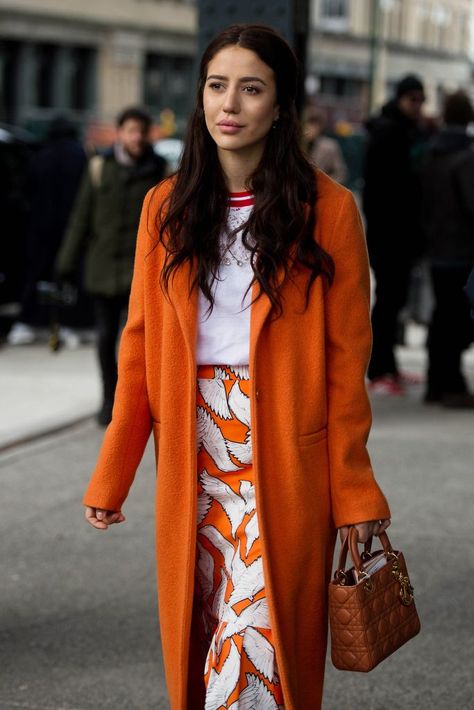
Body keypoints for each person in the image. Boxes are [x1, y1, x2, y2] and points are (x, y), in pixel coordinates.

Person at [81, 25, 391, 709]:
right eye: (217, 86)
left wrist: (356, 492)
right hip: (192, 455)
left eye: (252, 89)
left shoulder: (329, 212)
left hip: (284, 450)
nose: (231, 104)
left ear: (279, 107)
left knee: (254, 644)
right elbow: (138, 348)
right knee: (207, 633)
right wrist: (114, 471)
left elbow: (347, 369)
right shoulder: (164, 207)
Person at [56, 107, 167, 425]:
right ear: (120, 132)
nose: (136, 137)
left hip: (141, 271)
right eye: (130, 131)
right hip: (103, 267)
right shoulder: (99, 168)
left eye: (141, 131)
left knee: (140, 341)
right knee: (106, 337)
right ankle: (109, 399)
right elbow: (81, 217)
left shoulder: (159, 170)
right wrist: (65, 263)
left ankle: (136, 401)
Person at [363, 75, 427, 394]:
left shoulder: (402, 131)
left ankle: (388, 367)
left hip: (397, 233)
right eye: (413, 99)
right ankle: (379, 370)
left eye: (421, 100)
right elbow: (386, 191)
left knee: (394, 300)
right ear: (401, 99)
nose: (418, 106)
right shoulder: (391, 134)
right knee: (388, 302)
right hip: (391, 235)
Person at [7, 116, 87, 345]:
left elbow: (26, 192)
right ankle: (67, 322)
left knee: (39, 277)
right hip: (70, 229)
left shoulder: (41, 156)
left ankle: (35, 320)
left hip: (40, 230)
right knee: (69, 279)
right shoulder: (79, 156)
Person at [421, 90, 474, 408]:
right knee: (458, 319)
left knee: (442, 316)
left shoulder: (431, 152)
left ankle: (436, 382)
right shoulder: (465, 157)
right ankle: (452, 382)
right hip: (462, 250)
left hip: (437, 246)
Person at [303, 107, 348, 183]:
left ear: (319, 127)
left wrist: (325, 184)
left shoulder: (330, 146)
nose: (309, 129)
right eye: (306, 126)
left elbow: (341, 173)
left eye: (313, 126)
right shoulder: (297, 145)